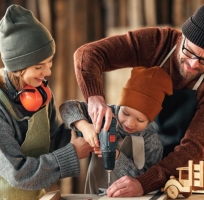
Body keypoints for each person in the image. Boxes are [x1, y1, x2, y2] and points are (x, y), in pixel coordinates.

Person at [73, 0, 204, 197]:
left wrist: (145, 183)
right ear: (183, 36)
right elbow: (87, 54)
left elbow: (193, 150)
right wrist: (94, 97)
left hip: (194, 178)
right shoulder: (158, 42)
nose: (194, 64)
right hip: (148, 163)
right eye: (190, 51)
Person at [0, 5, 92, 200]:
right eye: (39, 66)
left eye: (49, 63)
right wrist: (72, 154)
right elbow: (18, 173)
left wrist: (85, 133)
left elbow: (54, 140)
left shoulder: (42, 94)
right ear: (17, 68)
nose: (48, 72)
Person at [59, 66, 173, 194]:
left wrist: (118, 158)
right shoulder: (106, 114)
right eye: (125, 113)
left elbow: (147, 181)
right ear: (120, 105)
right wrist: (84, 126)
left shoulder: (152, 141)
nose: (130, 123)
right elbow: (66, 108)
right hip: (93, 193)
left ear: (150, 120)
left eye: (140, 120)